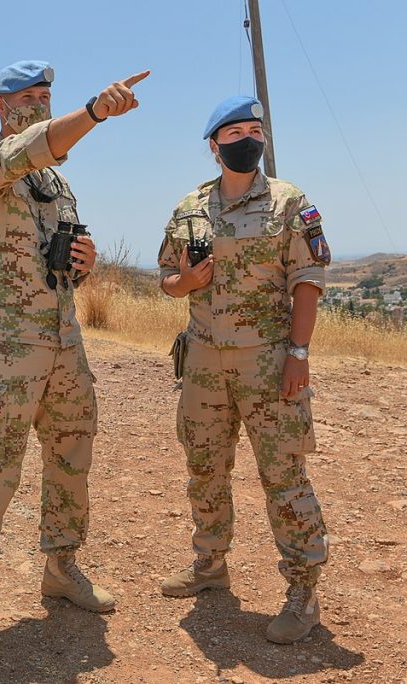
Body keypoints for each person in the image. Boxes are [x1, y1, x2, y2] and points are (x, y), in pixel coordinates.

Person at [0, 60, 149, 657]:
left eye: (46, 96)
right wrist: (94, 112)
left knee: (71, 453)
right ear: (2, 106)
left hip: (63, 339)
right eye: (28, 97)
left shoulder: (56, 186)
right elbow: (30, 149)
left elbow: (58, 253)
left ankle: (61, 568)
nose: (39, 104)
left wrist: (82, 261)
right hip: (7, 345)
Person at [157, 95, 331, 644]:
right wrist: (186, 283)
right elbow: (167, 277)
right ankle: (210, 565)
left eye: (255, 131)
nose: (247, 140)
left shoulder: (288, 201)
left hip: (268, 361)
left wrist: (299, 353)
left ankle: (303, 592)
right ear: (214, 146)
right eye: (234, 134)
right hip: (203, 362)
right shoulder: (189, 207)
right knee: (205, 468)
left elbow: (308, 280)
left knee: (283, 475)